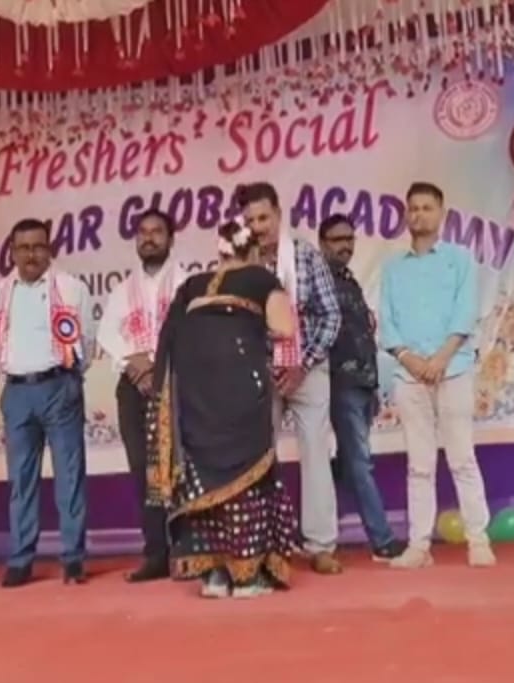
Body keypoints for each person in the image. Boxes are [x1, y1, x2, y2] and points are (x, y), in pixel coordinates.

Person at [148, 220, 298, 598]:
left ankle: (214, 577)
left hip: (194, 392)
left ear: (220, 252)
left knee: (203, 474)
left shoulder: (191, 285)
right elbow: (284, 327)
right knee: (246, 471)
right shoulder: (261, 279)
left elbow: (168, 341)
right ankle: (246, 576)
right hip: (238, 386)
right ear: (254, 251)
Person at [380, 183, 495, 569]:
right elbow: (387, 321)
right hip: (409, 374)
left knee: (462, 458)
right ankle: (419, 545)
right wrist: (409, 358)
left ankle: (478, 539)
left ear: (441, 214)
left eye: (427, 208)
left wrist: (442, 358)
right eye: (413, 208)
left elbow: (466, 312)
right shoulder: (393, 267)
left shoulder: (459, 259)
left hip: (454, 368)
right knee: (419, 464)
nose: (419, 215)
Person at [239, 182, 344, 574]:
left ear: (279, 215)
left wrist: (303, 362)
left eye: (264, 218)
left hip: (308, 368)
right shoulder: (243, 265)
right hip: (261, 372)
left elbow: (330, 315)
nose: (258, 227)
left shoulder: (304, 255)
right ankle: (264, 543)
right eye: (251, 221)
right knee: (257, 457)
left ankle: (321, 545)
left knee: (316, 451)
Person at [0, 218, 96, 587]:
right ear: (12, 252)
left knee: (69, 475)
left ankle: (73, 558)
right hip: (17, 390)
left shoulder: (71, 287)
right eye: (23, 248)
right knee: (21, 480)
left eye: (37, 246)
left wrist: (68, 378)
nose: (30, 255)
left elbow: (87, 341)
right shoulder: (0, 291)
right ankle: (21, 559)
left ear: (50, 249)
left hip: (58, 385)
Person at [97, 209, 189, 583]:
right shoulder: (122, 290)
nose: (149, 238)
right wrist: (137, 365)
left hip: (176, 382)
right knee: (143, 470)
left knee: (179, 466)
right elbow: (107, 333)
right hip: (133, 386)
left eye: (157, 232)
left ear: (171, 239)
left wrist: (158, 367)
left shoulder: (186, 283)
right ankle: (155, 554)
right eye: (143, 232)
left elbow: (193, 331)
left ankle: (186, 550)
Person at [318, 215, 405, 561]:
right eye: (337, 239)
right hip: (340, 382)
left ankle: (309, 527)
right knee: (359, 461)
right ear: (322, 243)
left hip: (364, 382)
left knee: (348, 464)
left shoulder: (349, 280)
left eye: (349, 239)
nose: (345, 246)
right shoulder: (320, 282)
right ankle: (382, 540)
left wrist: (374, 384)